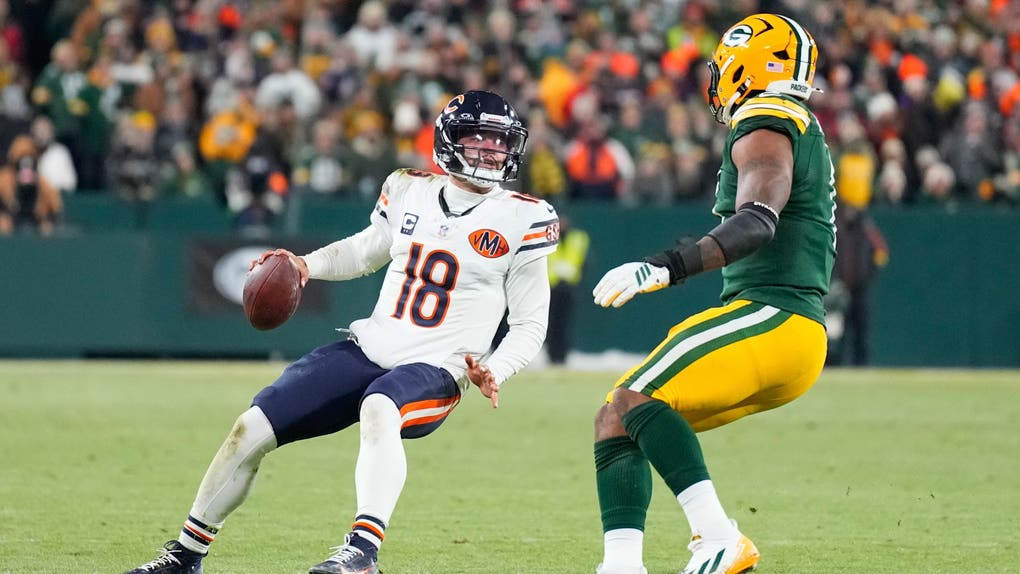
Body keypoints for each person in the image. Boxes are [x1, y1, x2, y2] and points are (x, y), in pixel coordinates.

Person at [125, 90, 558, 574]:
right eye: (475, 139)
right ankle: (185, 555)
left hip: (439, 367)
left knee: (381, 405)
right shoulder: (408, 188)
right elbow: (368, 249)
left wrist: (495, 368)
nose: (488, 151)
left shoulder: (524, 215)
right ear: (447, 141)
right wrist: (305, 265)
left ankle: (361, 553)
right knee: (252, 426)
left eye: (498, 142)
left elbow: (529, 323)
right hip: (370, 347)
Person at [590, 14, 835, 574]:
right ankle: (621, 565)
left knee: (633, 399)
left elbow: (757, 221)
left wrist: (663, 268)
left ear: (751, 64)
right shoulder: (793, 121)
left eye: (726, 63)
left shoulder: (767, 115)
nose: (719, 76)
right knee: (618, 416)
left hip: (775, 316)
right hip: (787, 331)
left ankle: (719, 537)